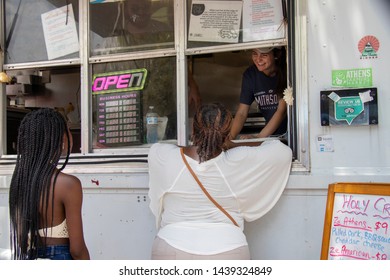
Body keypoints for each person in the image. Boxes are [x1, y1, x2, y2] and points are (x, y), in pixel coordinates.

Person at [148, 103, 292, 259]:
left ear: (193, 130)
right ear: (227, 134)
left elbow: (157, 148)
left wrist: (198, 143)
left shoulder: (165, 156)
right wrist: (233, 144)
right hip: (228, 250)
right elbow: (281, 150)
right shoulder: (238, 159)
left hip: (171, 247)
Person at [9, 108, 90, 260]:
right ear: (60, 139)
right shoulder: (68, 184)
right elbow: (77, 249)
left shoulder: (20, 181)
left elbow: (21, 241)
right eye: (68, 130)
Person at [229, 47, 288, 140]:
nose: (258, 59)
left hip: (291, 133)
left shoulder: (287, 72)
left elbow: (282, 111)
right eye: (255, 54)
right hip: (271, 134)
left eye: (264, 55)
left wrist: (258, 137)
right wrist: (230, 137)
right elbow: (242, 112)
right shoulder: (250, 75)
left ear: (276, 55)